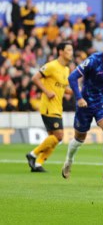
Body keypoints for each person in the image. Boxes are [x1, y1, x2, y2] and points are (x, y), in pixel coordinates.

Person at [61, 37, 103, 183]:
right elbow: (72, 78)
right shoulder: (93, 61)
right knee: (79, 139)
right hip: (85, 103)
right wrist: (79, 98)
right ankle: (69, 161)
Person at [26, 42, 73, 172]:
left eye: (72, 50)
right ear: (60, 52)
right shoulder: (52, 66)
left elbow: (63, 88)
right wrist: (46, 92)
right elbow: (35, 78)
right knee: (59, 136)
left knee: (54, 139)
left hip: (58, 107)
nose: (71, 52)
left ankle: (38, 164)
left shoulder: (66, 69)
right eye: (68, 50)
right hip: (48, 107)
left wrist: (74, 91)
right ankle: (33, 155)